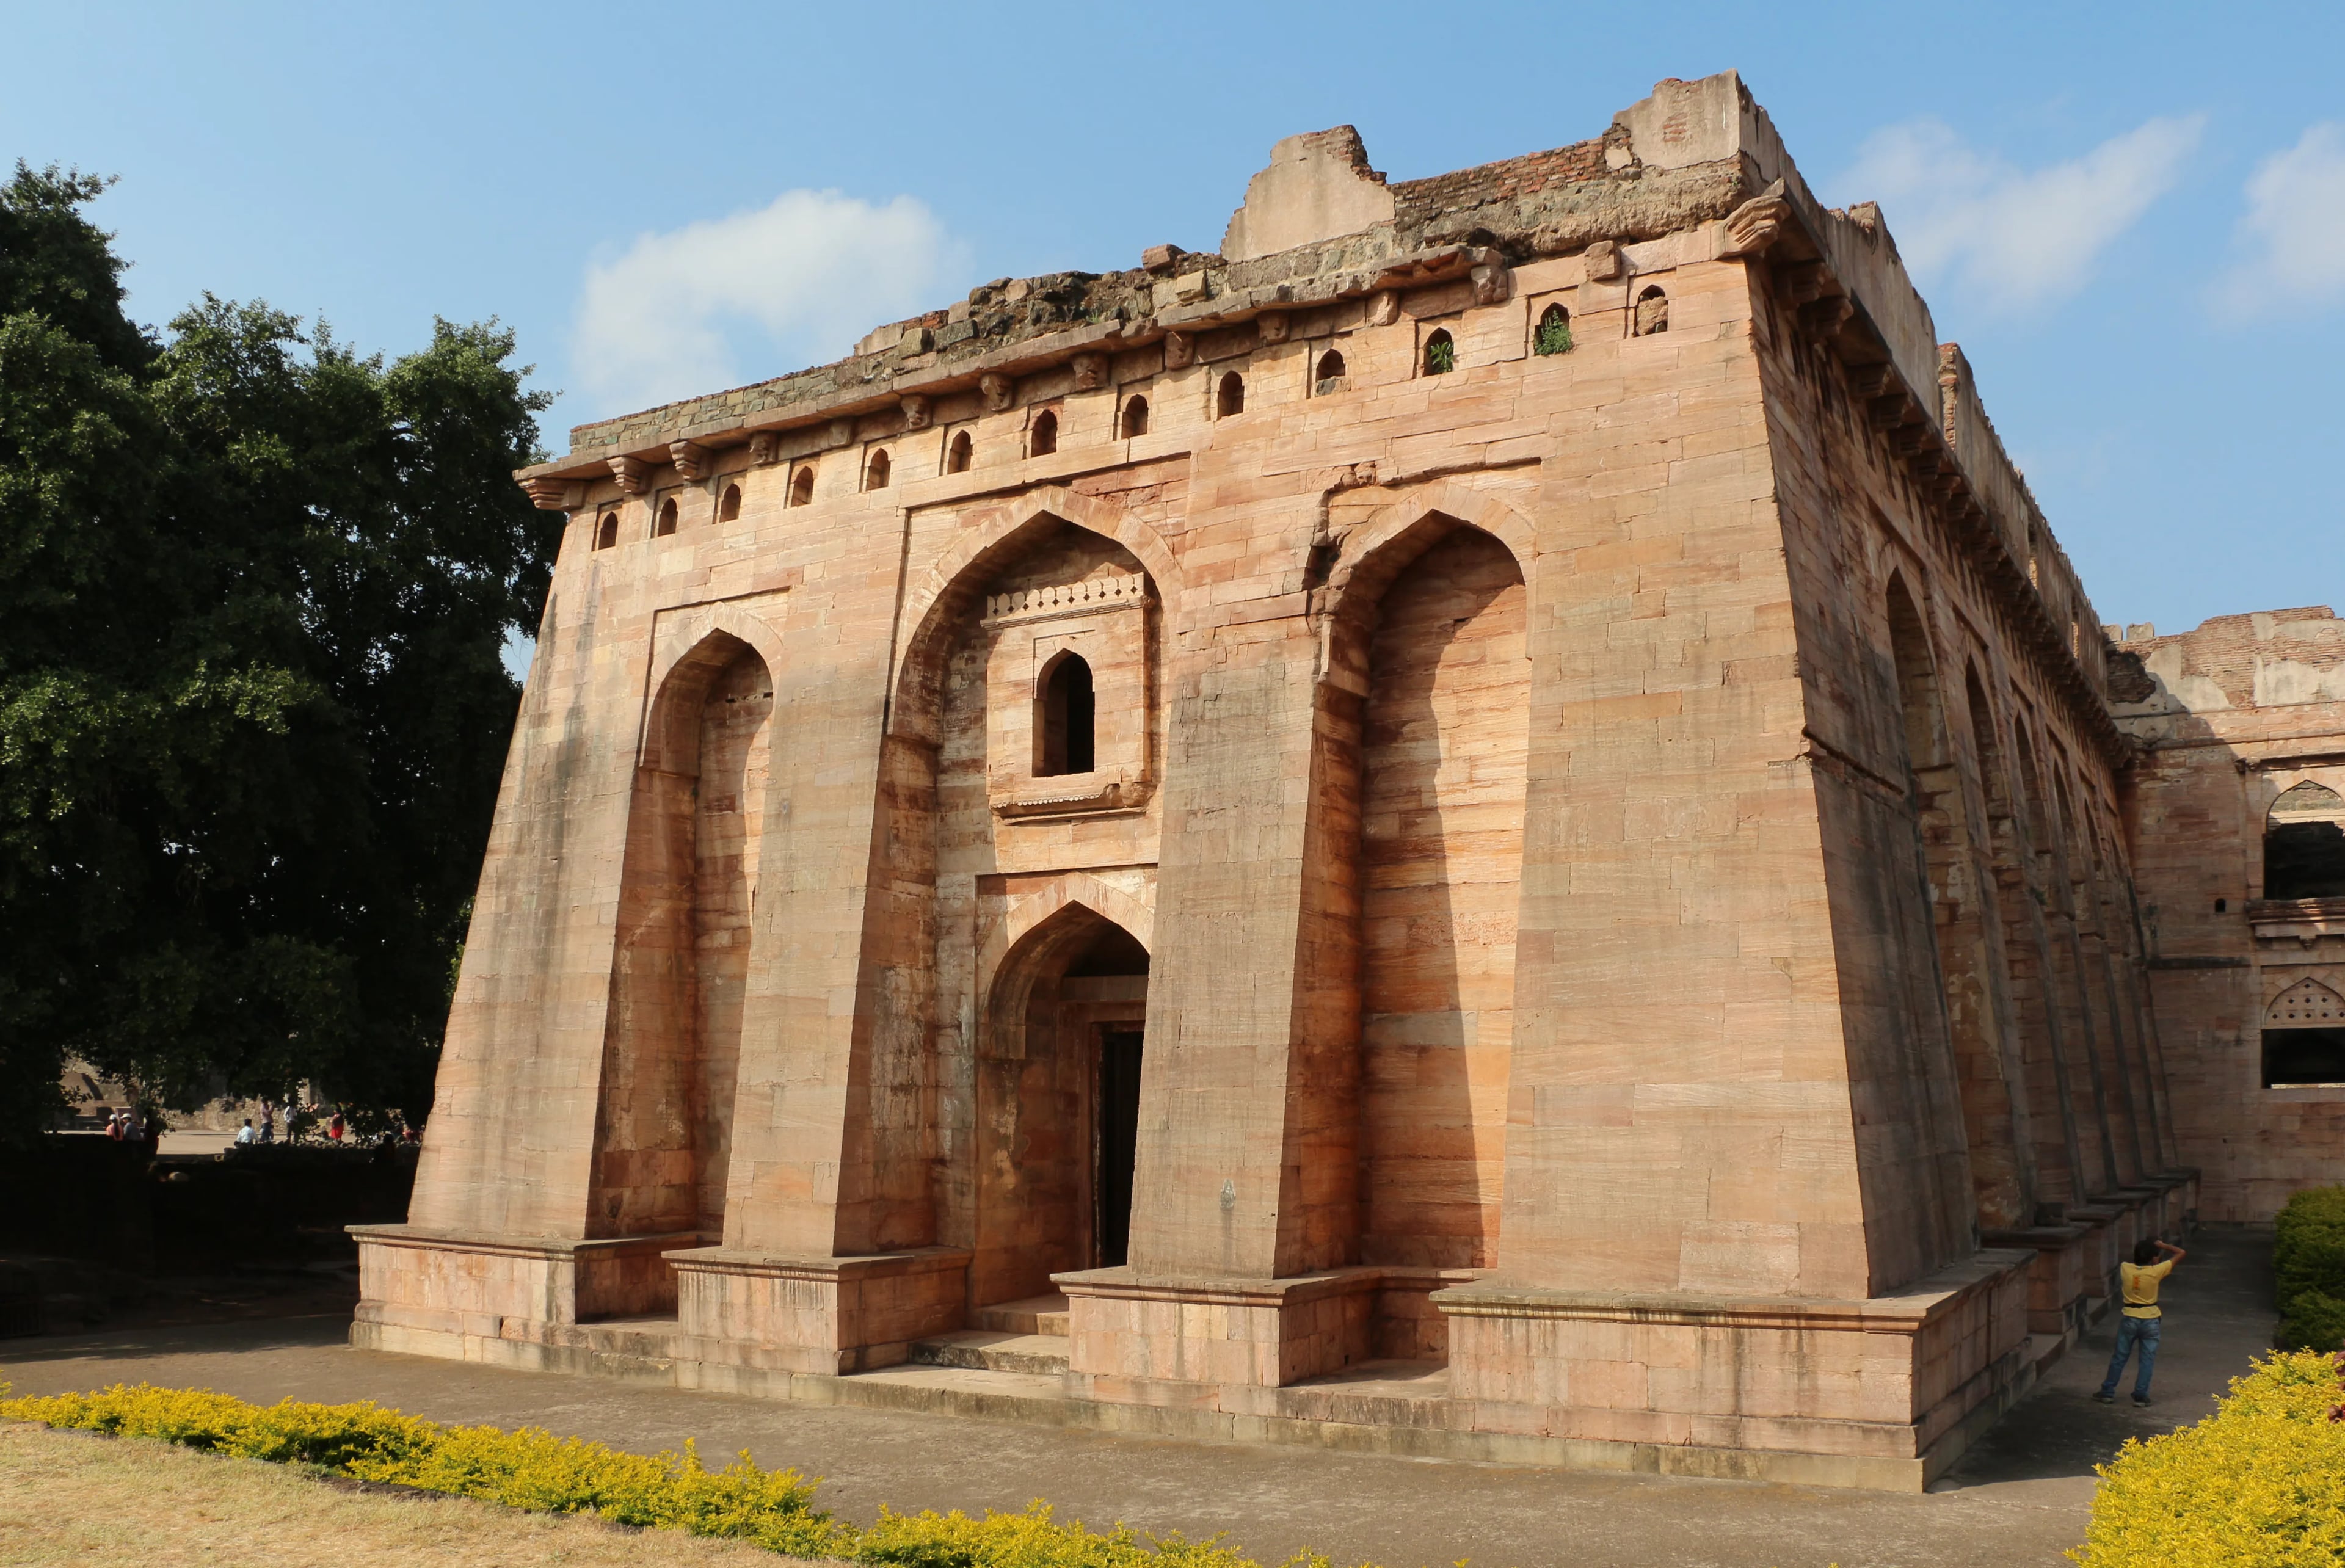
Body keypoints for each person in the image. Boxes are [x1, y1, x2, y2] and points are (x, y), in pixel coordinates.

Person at [2096, 1235, 2187, 1407]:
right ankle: (2141, 1396)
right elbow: (2181, 1253)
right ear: (2154, 1258)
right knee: (2147, 1360)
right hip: (2151, 1320)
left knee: (2120, 1357)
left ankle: (2107, 1392)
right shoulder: (2156, 1271)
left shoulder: (2125, 1268)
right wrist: (2163, 1245)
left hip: (2130, 1317)